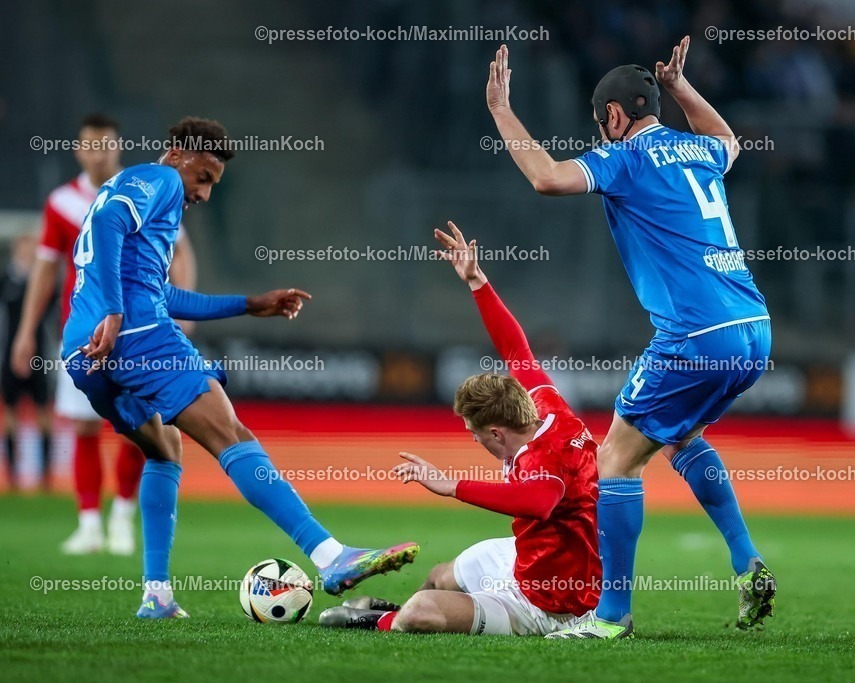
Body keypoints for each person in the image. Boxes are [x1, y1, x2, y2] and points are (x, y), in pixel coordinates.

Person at [61, 116, 418, 618]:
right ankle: (331, 556)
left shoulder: (138, 192)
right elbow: (110, 224)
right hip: (134, 334)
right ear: (181, 155)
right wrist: (117, 312)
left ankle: (156, 596)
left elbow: (161, 291)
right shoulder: (159, 179)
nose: (204, 195)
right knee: (232, 433)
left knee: (164, 450)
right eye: (203, 178)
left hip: (83, 350)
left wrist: (249, 304)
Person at [484, 38, 775, 638]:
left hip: (694, 334)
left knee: (614, 460)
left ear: (613, 116)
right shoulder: (696, 151)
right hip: (753, 329)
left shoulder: (626, 158)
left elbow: (546, 178)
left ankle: (611, 617)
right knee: (681, 435)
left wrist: (500, 111)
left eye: (602, 122)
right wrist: (682, 87)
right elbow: (730, 141)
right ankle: (747, 562)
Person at [320, 222, 603, 636]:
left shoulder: (549, 458)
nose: (474, 441)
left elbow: (540, 499)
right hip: (529, 558)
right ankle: (402, 612)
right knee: (439, 576)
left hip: (552, 603)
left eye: (475, 434)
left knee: (420, 613)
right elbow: (515, 347)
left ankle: (384, 620)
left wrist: (452, 485)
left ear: (496, 433)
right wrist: (477, 281)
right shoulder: (546, 406)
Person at [11, 113, 197, 555]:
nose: (100, 153)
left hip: (140, 333)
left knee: (142, 423)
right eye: (91, 145)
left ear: (118, 146)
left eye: (107, 144)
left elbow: (181, 251)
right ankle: (89, 522)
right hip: (82, 335)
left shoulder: (145, 188)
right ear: (79, 150)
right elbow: (45, 267)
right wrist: (25, 331)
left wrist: (184, 309)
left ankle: (122, 517)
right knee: (83, 427)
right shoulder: (61, 203)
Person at [1, 235, 53, 490]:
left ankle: (46, 475)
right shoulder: (5, 281)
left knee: (43, 409)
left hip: (39, 356)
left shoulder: (42, 281)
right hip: (9, 354)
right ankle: (12, 475)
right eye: (25, 245)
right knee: (10, 411)